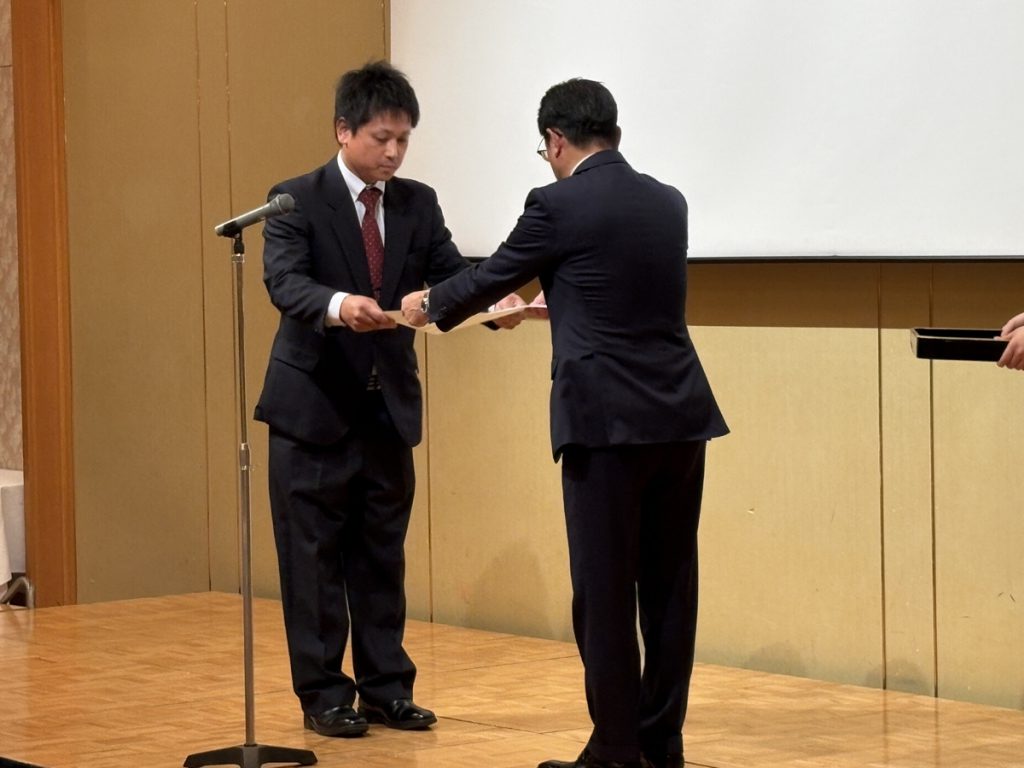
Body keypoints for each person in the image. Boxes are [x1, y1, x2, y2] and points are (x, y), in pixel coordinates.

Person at [402, 78, 728, 768]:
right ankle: (660, 743)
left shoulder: (555, 203)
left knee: (604, 591)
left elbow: (492, 276)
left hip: (604, 424)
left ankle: (614, 749)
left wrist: (428, 304)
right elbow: (621, 293)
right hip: (680, 417)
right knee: (670, 587)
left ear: (555, 140)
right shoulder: (668, 201)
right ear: (612, 130)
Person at [254, 60, 522, 739]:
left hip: (386, 409)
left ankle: (387, 690)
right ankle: (324, 695)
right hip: (312, 410)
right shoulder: (294, 200)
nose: (395, 153)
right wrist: (341, 306)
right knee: (312, 562)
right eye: (382, 138)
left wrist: (497, 306)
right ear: (343, 130)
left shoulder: (416, 203)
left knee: (381, 557)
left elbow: (451, 275)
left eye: (404, 139)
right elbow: (285, 283)